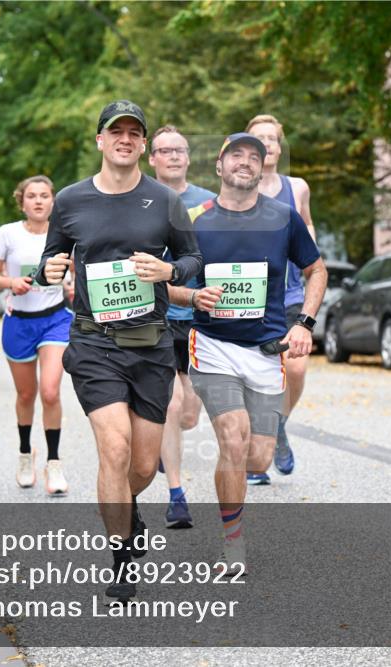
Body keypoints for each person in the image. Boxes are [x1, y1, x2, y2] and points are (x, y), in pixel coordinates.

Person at [36, 100, 201, 601]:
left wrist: (169, 271)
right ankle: (122, 554)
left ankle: (129, 511)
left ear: (143, 144)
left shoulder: (165, 200)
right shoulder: (70, 200)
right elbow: (51, 256)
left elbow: (193, 259)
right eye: (116, 132)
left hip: (150, 345)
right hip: (94, 342)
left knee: (144, 466)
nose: (125, 139)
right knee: (114, 447)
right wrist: (49, 269)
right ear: (100, 141)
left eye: (134, 132)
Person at [177, 132, 325, 572]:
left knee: (258, 456)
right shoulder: (193, 220)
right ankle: (233, 543)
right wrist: (192, 296)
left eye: (254, 157)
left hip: (265, 350)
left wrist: (304, 323)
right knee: (233, 438)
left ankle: (263, 452)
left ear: (262, 168)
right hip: (212, 346)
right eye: (235, 155)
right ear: (219, 166)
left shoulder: (282, 217)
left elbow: (316, 270)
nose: (245, 162)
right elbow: (164, 282)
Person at [0, 175, 74, 494]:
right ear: (22, 202)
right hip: (19, 322)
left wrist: (73, 284)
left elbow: (77, 269)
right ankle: (25, 454)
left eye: (44, 195)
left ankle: (54, 463)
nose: (38, 201)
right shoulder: (7, 234)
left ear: (53, 201)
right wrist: (11, 283)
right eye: (31, 196)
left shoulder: (64, 233)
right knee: (26, 395)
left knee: (50, 392)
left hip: (55, 320)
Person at [148, 125, 216, 528]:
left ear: (188, 157)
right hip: (157, 318)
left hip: (200, 321)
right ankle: (177, 496)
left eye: (180, 150)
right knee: (171, 406)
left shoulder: (209, 203)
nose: (173, 156)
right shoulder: (141, 201)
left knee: (189, 415)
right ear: (152, 158)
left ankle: (162, 443)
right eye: (165, 150)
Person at [245, 113, 317, 482]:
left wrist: (309, 250)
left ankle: (278, 424)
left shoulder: (297, 187)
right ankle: (256, 456)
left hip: (289, 294)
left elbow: (307, 224)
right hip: (249, 299)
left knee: (297, 367)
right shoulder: (238, 187)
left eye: (273, 138)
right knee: (254, 379)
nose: (267, 144)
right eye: (259, 138)